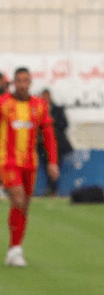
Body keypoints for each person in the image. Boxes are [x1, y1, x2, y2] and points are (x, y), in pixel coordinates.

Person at [0, 67, 59, 267]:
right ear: (13, 83)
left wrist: (52, 161)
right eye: (19, 81)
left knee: (24, 205)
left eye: (26, 81)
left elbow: (49, 134)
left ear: (30, 82)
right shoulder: (3, 103)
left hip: (29, 163)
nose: (23, 84)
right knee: (17, 198)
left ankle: (14, 249)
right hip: (7, 161)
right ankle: (15, 250)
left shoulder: (39, 105)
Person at [37, 88, 74, 196]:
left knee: (55, 167)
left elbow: (65, 124)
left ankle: (52, 190)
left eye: (46, 96)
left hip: (58, 145)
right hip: (42, 146)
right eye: (42, 96)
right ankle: (50, 189)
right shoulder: (37, 110)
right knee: (46, 167)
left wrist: (50, 123)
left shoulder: (57, 109)